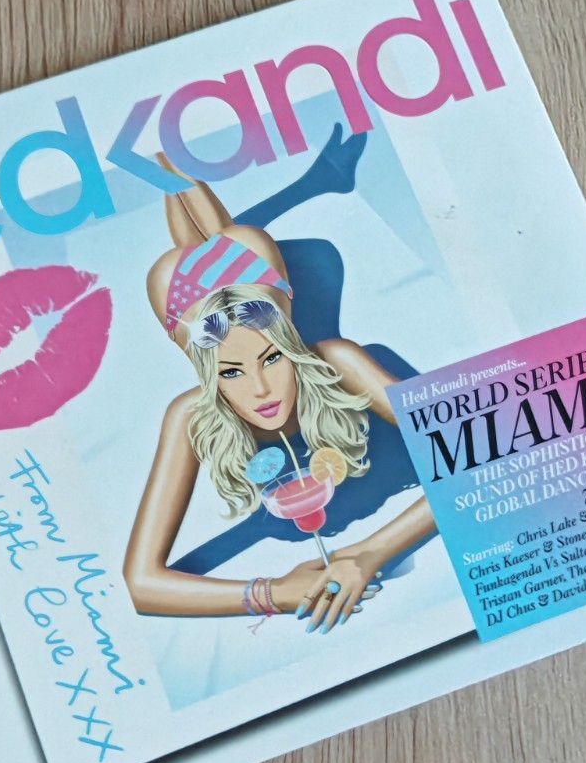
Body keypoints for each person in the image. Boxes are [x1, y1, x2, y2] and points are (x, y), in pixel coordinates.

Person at [122, 158, 439, 636]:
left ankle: (166, 162)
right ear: (207, 372)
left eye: (272, 358)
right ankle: (165, 162)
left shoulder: (338, 362)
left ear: (289, 342)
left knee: (211, 234)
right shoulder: (191, 415)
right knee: (205, 238)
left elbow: (481, 452)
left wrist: (369, 554)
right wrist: (272, 594)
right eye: (231, 372)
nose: (261, 390)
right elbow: (140, 585)